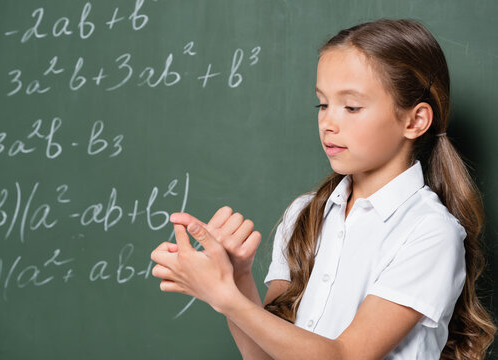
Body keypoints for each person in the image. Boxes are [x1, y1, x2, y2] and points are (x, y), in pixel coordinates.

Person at [150, 19, 496, 359]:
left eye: (352, 107)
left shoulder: (429, 232)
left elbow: (345, 355)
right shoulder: (305, 213)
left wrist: (224, 296)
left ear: (414, 121)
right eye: (323, 104)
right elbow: (264, 356)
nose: (328, 122)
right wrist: (238, 277)